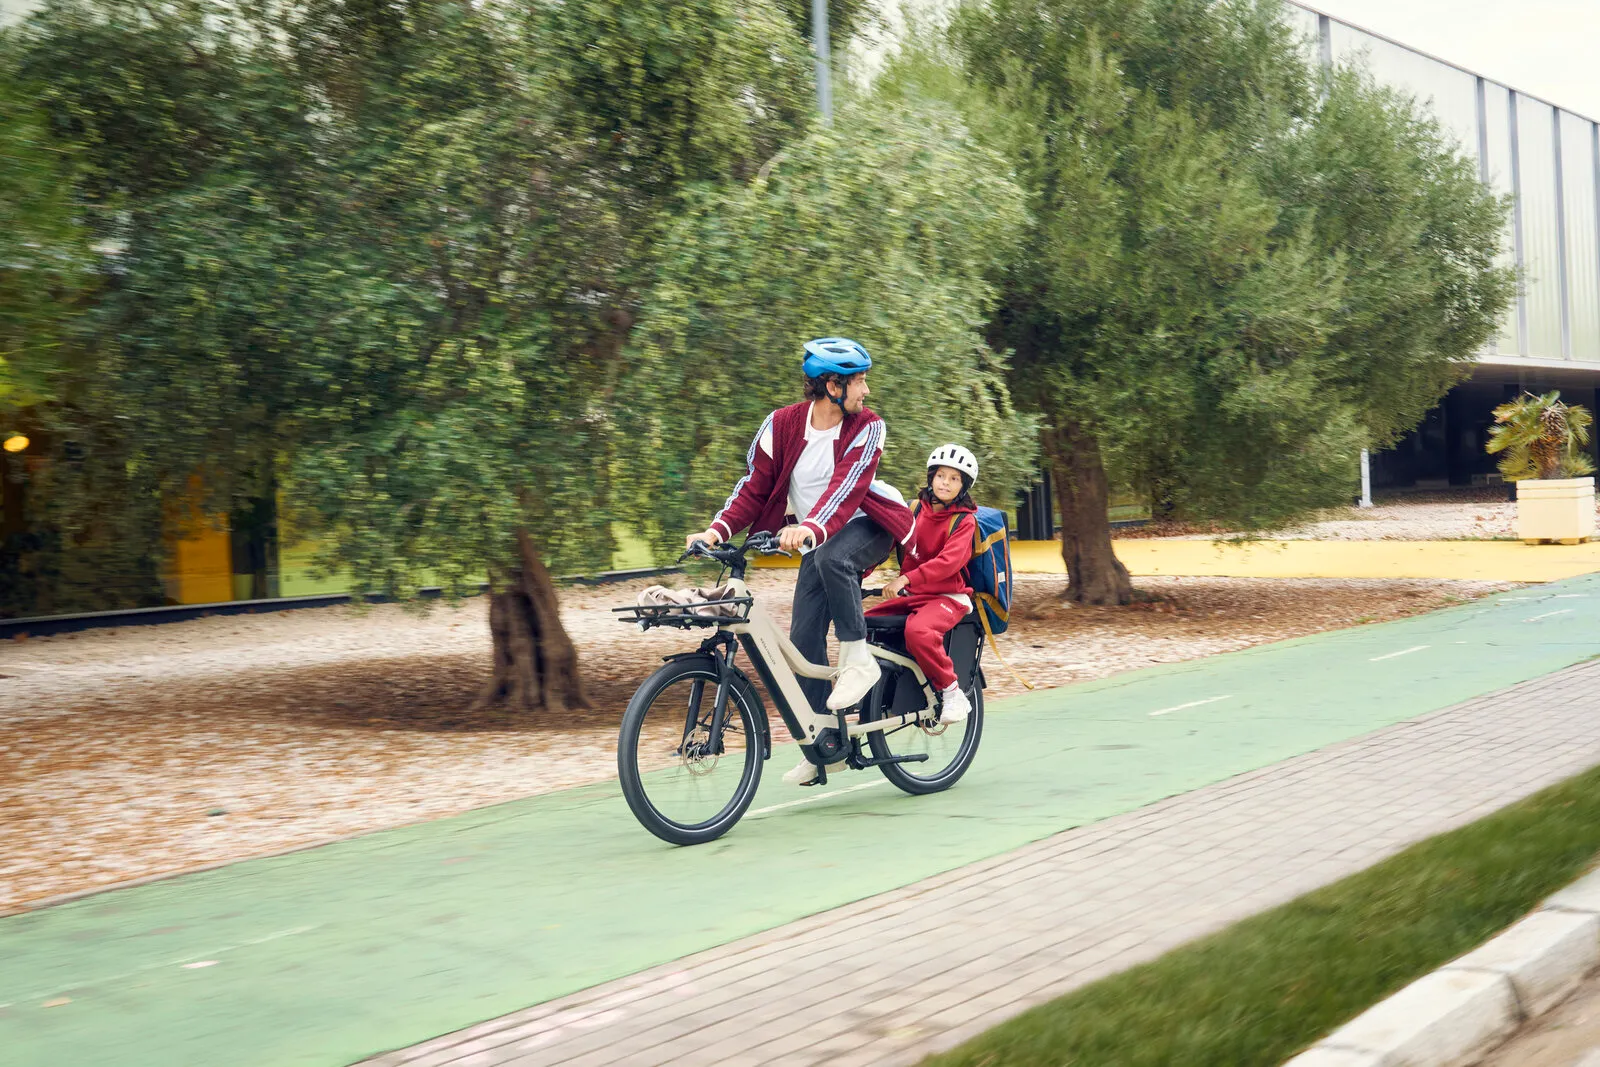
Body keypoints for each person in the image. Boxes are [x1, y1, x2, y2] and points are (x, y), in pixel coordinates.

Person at [686, 338, 913, 786]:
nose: (866, 391)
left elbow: (846, 489)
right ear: (832, 386)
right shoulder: (782, 424)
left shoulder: (869, 427)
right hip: (820, 539)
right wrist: (716, 530)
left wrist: (809, 528)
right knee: (803, 641)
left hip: (869, 523)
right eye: (860, 381)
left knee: (831, 558)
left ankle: (858, 659)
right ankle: (823, 746)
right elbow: (754, 486)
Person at [866, 444, 981, 724]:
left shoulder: (964, 521)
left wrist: (906, 578)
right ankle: (882, 693)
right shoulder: (914, 509)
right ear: (931, 477)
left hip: (948, 596)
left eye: (955, 479)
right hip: (914, 595)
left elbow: (948, 564)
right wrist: (856, 573)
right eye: (941, 475)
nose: (946, 483)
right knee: (861, 623)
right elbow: (887, 544)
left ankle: (953, 693)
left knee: (919, 631)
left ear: (963, 487)